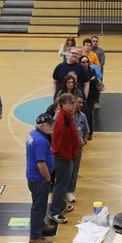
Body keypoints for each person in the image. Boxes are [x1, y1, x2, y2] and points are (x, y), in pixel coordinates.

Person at [48, 93, 80, 225]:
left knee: (64, 184)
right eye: (71, 103)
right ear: (63, 105)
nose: (74, 105)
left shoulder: (67, 116)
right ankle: (55, 212)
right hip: (63, 158)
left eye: (74, 102)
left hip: (67, 156)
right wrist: (68, 157)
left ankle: (60, 205)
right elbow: (60, 143)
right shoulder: (62, 120)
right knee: (60, 185)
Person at [26, 113, 57, 243]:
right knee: (38, 207)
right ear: (43, 126)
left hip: (34, 177)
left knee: (40, 204)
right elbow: (41, 164)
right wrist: (48, 178)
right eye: (50, 124)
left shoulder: (33, 134)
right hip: (40, 179)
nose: (53, 126)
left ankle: (41, 225)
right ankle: (35, 236)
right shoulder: (41, 141)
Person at [67, 95, 90, 204]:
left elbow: (87, 130)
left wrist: (84, 141)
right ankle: (63, 191)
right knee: (67, 169)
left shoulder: (83, 116)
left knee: (75, 170)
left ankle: (71, 191)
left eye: (82, 103)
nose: (81, 105)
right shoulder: (67, 116)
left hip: (78, 148)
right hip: (67, 147)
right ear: (74, 102)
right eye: (79, 102)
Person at [80, 56, 102, 139]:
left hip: (91, 96)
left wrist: (93, 79)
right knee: (81, 114)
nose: (85, 63)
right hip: (81, 96)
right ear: (80, 63)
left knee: (89, 114)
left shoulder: (92, 71)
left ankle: (89, 132)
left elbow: (95, 82)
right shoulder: (79, 71)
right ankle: (82, 131)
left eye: (86, 62)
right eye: (83, 62)